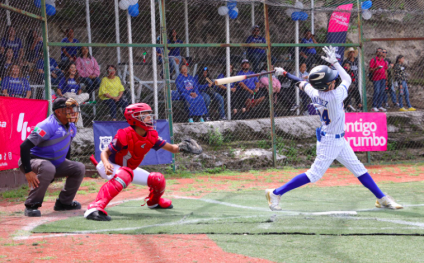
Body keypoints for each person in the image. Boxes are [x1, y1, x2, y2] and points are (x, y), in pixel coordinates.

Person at [266, 46, 403, 212]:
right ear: (327, 85)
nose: (334, 81)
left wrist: (284, 73)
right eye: (332, 81)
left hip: (338, 139)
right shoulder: (335, 96)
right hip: (330, 141)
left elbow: (300, 83)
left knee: (359, 169)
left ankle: (382, 198)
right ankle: (275, 193)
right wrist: (335, 62)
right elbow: (347, 79)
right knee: (314, 175)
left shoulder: (315, 92)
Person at [84, 103, 202, 221]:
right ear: (134, 118)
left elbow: (172, 148)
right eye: (145, 115)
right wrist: (106, 163)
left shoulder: (151, 135)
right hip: (109, 167)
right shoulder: (124, 135)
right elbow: (105, 152)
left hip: (128, 170)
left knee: (158, 179)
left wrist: (183, 146)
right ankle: (94, 208)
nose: (149, 117)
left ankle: (154, 202)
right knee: (125, 174)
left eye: (149, 114)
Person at [19, 97, 85, 217]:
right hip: (32, 160)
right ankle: (31, 205)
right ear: (58, 112)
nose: (72, 111)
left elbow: (67, 146)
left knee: (79, 167)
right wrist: (28, 171)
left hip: (52, 164)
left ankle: (64, 203)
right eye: (68, 109)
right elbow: (24, 147)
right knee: (48, 167)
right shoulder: (47, 125)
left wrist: (66, 166)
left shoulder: (71, 126)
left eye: (73, 108)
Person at [369, 48, 388, 112]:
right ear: (376, 53)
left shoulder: (384, 61)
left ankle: (379, 105)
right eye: (378, 51)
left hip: (383, 78)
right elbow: (370, 69)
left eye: (381, 51)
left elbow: (385, 70)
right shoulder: (373, 60)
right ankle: (374, 106)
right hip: (376, 78)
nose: (380, 52)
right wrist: (376, 68)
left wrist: (386, 79)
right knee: (377, 91)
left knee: (382, 91)